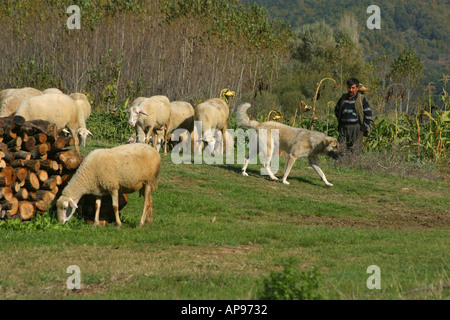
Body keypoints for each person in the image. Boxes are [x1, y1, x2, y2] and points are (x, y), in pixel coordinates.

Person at [334, 78, 373, 156]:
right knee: (340, 150)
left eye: (353, 88)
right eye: (349, 87)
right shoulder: (343, 98)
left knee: (355, 152)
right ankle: (340, 167)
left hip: (356, 128)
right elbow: (336, 110)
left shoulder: (361, 99)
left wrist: (363, 128)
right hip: (344, 128)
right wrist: (341, 122)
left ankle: (354, 167)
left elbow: (368, 114)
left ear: (357, 88)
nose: (350, 90)